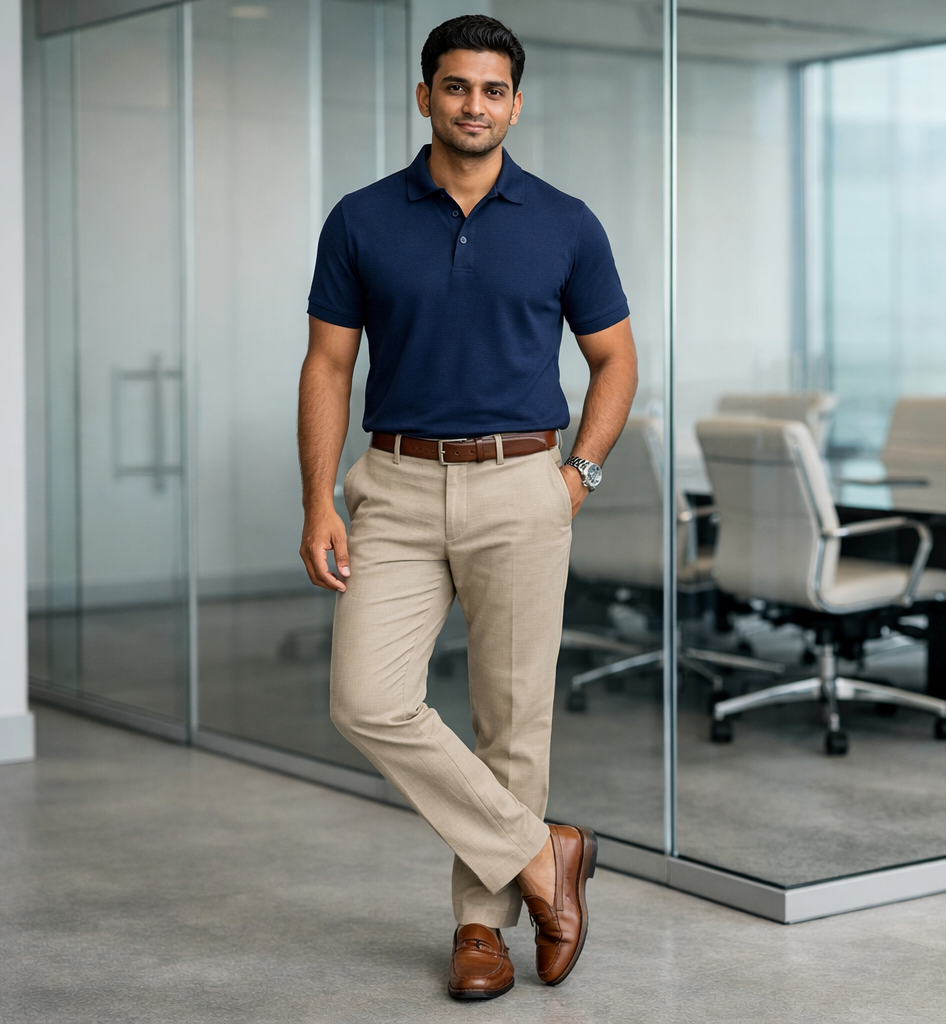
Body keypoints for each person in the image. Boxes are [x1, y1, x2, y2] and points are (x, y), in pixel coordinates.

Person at [295, 14, 638, 1002]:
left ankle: (480, 928)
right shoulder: (361, 218)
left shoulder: (566, 222)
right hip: (394, 486)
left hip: (522, 483)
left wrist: (579, 477)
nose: (473, 105)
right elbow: (327, 364)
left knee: (512, 720)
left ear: (515, 105)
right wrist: (318, 499)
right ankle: (543, 854)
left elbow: (615, 361)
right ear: (425, 97)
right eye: (455, 87)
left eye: (492, 90)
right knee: (366, 700)